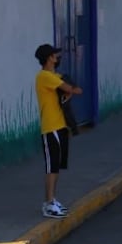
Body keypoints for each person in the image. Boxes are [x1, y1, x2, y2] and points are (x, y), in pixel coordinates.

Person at [34, 43, 82, 219]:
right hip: (50, 127)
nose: (58, 58)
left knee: (57, 167)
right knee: (51, 167)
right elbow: (70, 88)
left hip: (60, 126)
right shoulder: (44, 77)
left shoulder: (54, 76)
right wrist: (69, 89)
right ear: (49, 58)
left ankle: (52, 199)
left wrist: (70, 89)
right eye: (55, 55)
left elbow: (76, 89)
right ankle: (48, 203)